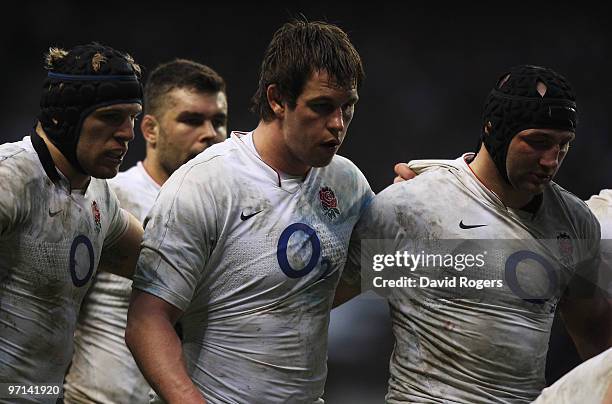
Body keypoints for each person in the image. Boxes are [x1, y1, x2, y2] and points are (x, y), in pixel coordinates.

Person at [125, 19, 372, 403]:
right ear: (277, 99)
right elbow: (147, 320)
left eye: (348, 107)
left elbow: (378, 267)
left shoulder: (347, 183)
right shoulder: (206, 183)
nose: (337, 124)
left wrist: (416, 199)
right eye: (321, 107)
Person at [342, 65, 611, 402]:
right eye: (537, 142)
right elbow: (317, 300)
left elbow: (596, 338)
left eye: (563, 145)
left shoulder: (573, 223)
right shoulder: (412, 208)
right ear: (494, 131)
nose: (550, 161)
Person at [63, 59, 228, 403]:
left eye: (219, 121)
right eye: (192, 120)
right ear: (150, 129)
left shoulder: (233, 212)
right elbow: (54, 307)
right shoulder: (111, 199)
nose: (211, 134)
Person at [0, 43, 144, 403]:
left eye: (133, 117)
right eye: (112, 117)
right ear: (66, 117)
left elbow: (157, 260)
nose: (127, 133)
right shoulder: (11, 177)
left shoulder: (99, 195)